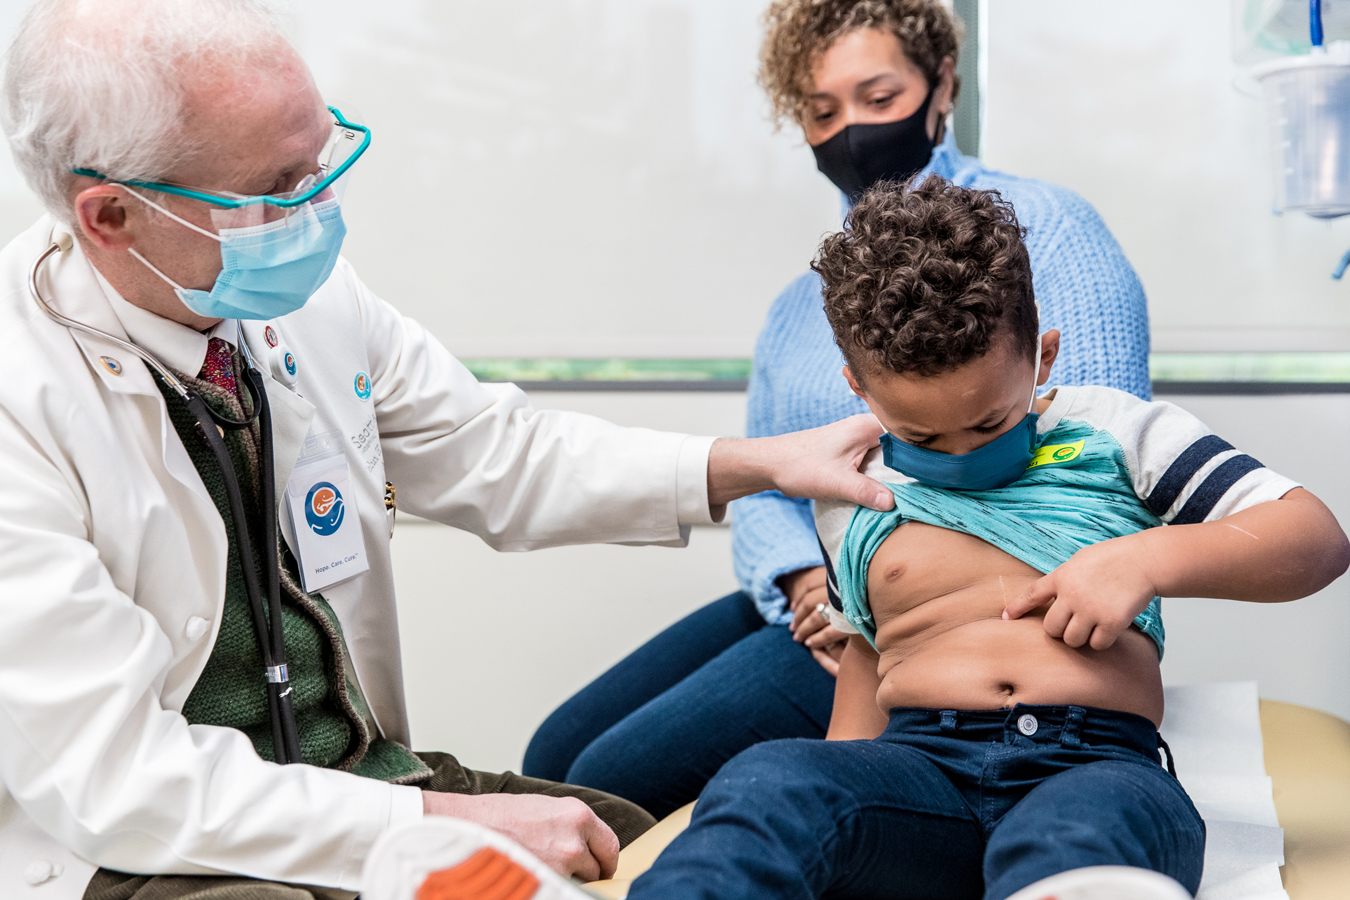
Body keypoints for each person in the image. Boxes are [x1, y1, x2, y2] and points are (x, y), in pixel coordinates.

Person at [0, 1, 902, 897]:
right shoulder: (20, 401)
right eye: (276, 190)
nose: (314, 209)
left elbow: (495, 451)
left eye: (319, 162)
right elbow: (122, 782)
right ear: (111, 215)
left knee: (641, 848)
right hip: (142, 843)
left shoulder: (290, 302)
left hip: (352, 775)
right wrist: (435, 828)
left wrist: (758, 465)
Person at [366, 179, 1350, 900]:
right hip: (919, 768)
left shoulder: (1115, 434)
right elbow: (864, 669)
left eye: (993, 421)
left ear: (1040, 355)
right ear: (858, 390)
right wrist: (841, 777)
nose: (961, 453)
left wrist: (1145, 558)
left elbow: (1312, 536)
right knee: (771, 780)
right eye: (925, 434)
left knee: (1097, 837)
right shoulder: (855, 490)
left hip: (1091, 760)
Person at [525, 0, 1152, 820]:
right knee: (551, 754)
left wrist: (879, 589)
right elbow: (769, 481)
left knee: (605, 776)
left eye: (878, 97)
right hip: (821, 593)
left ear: (942, 86)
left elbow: (1087, 460)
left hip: (942, 603)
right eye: (822, 112)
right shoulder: (807, 303)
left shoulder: (1047, 232)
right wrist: (801, 580)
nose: (851, 130)